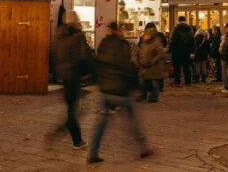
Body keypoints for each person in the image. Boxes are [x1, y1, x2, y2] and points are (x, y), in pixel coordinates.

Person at [87, 22, 153, 165]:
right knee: (132, 119)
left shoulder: (103, 43)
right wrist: (133, 84)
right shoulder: (123, 45)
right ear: (119, 31)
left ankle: (92, 152)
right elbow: (126, 65)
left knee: (100, 122)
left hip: (105, 89)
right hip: (120, 90)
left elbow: (97, 64)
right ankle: (143, 147)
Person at [50, 10, 91, 149]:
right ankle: (73, 138)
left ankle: (74, 138)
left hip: (64, 76)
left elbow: (53, 54)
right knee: (73, 110)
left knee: (71, 108)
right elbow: (83, 56)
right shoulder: (78, 35)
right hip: (74, 75)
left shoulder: (58, 35)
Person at [136, 23, 168, 103]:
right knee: (143, 82)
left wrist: (152, 61)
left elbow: (161, 54)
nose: (145, 35)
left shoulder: (156, 42)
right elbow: (139, 51)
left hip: (154, 67)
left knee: (154, 83)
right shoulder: (144, 42)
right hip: (144, 66)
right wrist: (139, 61)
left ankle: (154, 97)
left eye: (146, 34)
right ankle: (142, 95)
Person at [168, 15, 195, 86]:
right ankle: (188, 81)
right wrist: (192, 51)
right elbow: (192, 40)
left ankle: (177, 81)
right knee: (186, 65)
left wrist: (170, 49)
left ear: (178, 20)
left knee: (177, 66)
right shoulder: (190, 29)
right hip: (186, 50)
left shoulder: (176, 28)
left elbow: (173, 40)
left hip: (177, 50)